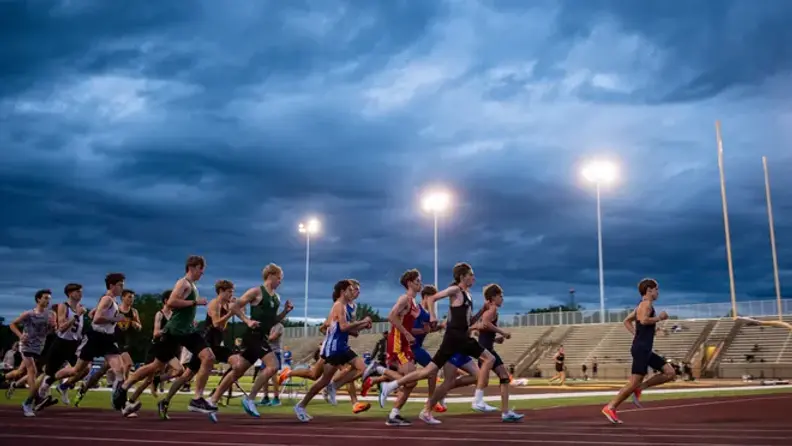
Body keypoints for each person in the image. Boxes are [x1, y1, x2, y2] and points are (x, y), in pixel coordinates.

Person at [378, 263, 498, 419]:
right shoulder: (456, 290)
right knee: (490, 358)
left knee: (429, 371)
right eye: (471, 275)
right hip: (457, 337)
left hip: (456, 337)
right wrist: (433, 316)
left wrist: (482, 310)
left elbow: (468, 322)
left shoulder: (468, 296)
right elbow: (433, 298)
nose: (473, 278)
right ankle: (478, 400)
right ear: (462, 277)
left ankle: (391, 385)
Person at [113, 256, 217, 415]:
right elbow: (171, 302)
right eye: (201, 269)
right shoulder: (183, 283)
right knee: (155, 366)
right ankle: (125, 386)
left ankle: (197, 399)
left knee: (208, 357)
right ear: (193, 267)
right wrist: (195, 303)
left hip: (186, 331)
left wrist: (191, 318)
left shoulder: (192, 286)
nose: (202, 273)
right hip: (173, 332)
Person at [206, 263, 293, 417]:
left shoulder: (276, 298)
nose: (280, 281)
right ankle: (250, 399)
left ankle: (212, 400)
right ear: (271, 275)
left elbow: (272, 321)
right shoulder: (256, 292)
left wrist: (285, 312)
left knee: (237, 371)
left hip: (262, 336)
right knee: (273, 366)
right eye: (279, 278)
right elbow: (234, 306)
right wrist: (247, 320)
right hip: (252, 335)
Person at [293, 279, 372, 422]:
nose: (352, 292)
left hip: (341, 345)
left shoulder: (348, 307)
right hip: (334, 347)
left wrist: (363, 325)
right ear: (343, 292)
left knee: (362, 369)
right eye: (350, 290)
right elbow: (342, 327)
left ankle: (333, 386)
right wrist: (362, 321)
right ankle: (302, 405)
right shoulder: (338, 305)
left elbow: (351, 331)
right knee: (322, 380)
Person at [602, 278, 676, 424]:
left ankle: (641, 388)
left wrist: (639, 334)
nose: (657, 292)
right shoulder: (646, 304)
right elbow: (643, 321)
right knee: (632, 383)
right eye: (656, 289)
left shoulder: (640, 306)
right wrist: (659, 318)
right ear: (649, 290)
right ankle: (610, 407)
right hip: (641, 349)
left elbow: (627, 321)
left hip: (644, 348)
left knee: (670, 373)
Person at [53, 273, 128, 407]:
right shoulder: (107, 299)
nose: (122, 288)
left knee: (120, 369)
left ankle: (121, 404)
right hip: (95, 337)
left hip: (108, 339)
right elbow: (96, 318)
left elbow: (93, 313)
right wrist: (115, 319)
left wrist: (98, 313)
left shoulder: (112, 300)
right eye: (120, 285)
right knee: (76, 370)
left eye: (123, 285)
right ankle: (50, 379)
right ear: (111, 286)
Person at [473, 284, 523, 422]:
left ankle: (505, 412)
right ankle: (477, 400)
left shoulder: (491, 309)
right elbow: (485, 323)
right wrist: (503, 332)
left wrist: (495, 339)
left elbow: (483, 331)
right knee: (485, 380)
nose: (502, 299)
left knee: (505, 377)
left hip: (489, 348)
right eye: (500, 296)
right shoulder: (492, 309)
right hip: (485, 351)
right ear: (493, 297)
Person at [381, 269, 423, 426]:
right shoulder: (405, 298)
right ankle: (383, 377)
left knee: (411, 382)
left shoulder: (413, 302)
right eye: (418, 281)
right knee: (411, 378)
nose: (421, 284)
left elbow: (406, 323)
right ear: (410, 282)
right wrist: (406, 334)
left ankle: (394, 414)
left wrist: (422, 330)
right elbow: (391, 316)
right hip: (398, 343)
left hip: (405, 343)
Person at [37, 284, 86, 404]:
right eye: (77, 292)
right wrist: (76, 315)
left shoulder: (81, 308)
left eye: (81, 291)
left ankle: (63, 386)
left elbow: (79, 328)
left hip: (75, 343)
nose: (80, 294)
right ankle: (41, 393)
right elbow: (62, 328)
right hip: (62, 343)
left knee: (85, 368)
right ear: (70, 293)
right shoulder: (64, 306)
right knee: (49, 371)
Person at [9, 289, 55, 416]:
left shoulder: (51, 314)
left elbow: (50, 332)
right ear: (38, 299)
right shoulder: (29, 314)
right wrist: (20, 336)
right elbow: (12, 324)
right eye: (45, 298)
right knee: (32, 372)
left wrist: (52, 327)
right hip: (26, 345)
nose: (48, 301)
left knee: (32, 372)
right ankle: (28, 403)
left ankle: (26, 391)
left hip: (39, 347)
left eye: (49, 298)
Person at [115, 289, 142, 380]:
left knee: (114, 367)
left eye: (133, 298)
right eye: (129, 297)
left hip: (128, 342)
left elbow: (139, 327)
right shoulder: (116, 310)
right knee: (128, 364)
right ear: (122, 297)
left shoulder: (134, 312)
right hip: (116, 340)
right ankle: (124, 384)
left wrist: (136, 325)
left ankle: (113, 381)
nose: (131, 300)